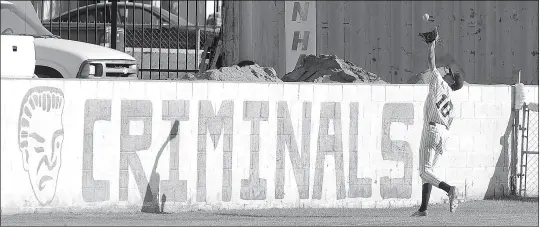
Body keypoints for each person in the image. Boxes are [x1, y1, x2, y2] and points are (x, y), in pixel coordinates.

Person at [412, 27, 464, 217]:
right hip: (443, 135)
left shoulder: (440, 83)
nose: (447, 72)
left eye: (450, 72)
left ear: (450, 79)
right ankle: (423, 209)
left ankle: (450, 190)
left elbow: (431, 63)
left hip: (432, 130)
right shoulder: (451, 102)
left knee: (424, 173)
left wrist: (431, 45)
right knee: (430, 171)